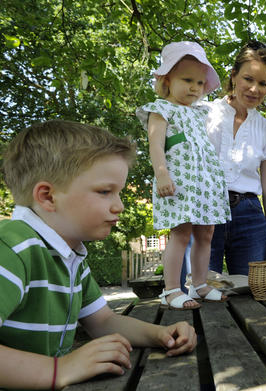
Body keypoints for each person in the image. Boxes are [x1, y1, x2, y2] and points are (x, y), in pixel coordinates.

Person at [0, 120, 197, 390]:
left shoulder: (70, 254)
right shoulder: (12, 248)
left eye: (118, 192)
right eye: (105, 192)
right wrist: (58, 369)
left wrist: (160, 335)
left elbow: (103, 321)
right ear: (47, 196)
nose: (119, 206)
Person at [136, 41, 230, 309]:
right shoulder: (161, 109)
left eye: (200, 83)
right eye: (187, 80)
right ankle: (171, 289)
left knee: (207, 232)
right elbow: (156, 146)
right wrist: (162, 174)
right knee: (181, 232)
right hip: (180, 182)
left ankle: (199, 284)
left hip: (204, 181)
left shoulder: (199, 112)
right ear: (167, 80)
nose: (194, 88)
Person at [203, 40, 266, 275]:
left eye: (263, 83)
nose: (255, 89)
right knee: (199, 288)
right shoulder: (204, 113)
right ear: (234, 75)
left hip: (249, 217)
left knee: (251, 293)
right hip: (205, 209)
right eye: (248, 79)